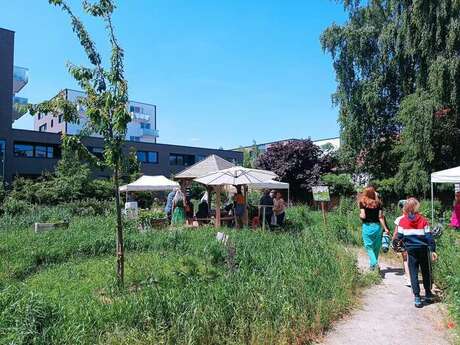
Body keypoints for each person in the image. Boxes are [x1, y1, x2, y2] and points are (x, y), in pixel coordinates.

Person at [397, 197, 437, 308]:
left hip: (411, 250)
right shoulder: (424, 220)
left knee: (413, 273)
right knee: (426, 271)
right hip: (423, 249)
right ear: (416, 207)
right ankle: (428, 294)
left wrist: (398, 246)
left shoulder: (402, 221)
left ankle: (417, 297)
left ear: (406, 207)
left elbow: (399, 237)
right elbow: (429, 237)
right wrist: (433, 250)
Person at [358, 186, 390, 270]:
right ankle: (372, 267)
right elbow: (380, 217)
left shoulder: (363, 202)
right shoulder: (378, 203)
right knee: (376, 246)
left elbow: (363, 215)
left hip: (367, 226)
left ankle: (374, 263)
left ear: (365, 193)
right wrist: (386, 228)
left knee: (368, 246)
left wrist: (360, 215)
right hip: (377, 227)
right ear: (373, 193)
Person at [392, 199, 411, 287]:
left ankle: (408, 278)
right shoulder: (414, 217)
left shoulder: (399, 219)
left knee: (405, 259)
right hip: (414, 240)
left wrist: (393, 240)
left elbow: (396, 233)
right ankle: (412, 275)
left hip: (403, 241)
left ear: (401, 209)